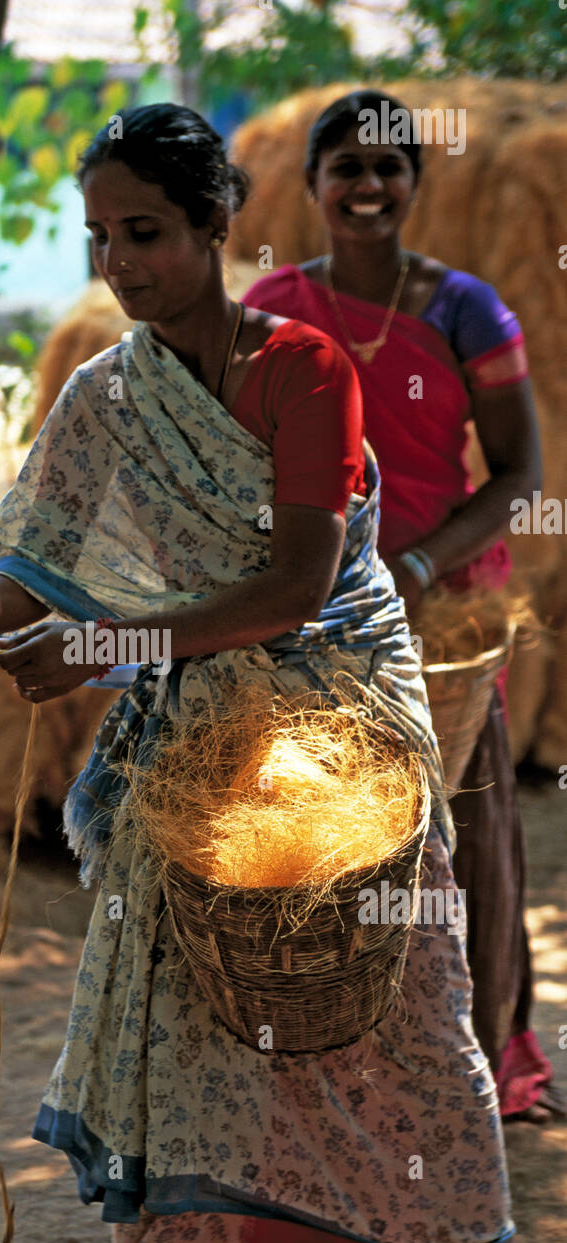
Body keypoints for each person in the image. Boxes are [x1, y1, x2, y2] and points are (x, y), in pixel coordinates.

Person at [0, 104, 519, 1243]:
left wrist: (103, 645)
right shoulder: (109, 392)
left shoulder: (302, 368)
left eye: (147, 232)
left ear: (219, 225)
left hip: (348, 730)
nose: (118, 263)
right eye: (100, 238)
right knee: (194, 1017)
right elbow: (36, 561)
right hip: (203, 744)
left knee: (409, 994)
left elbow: (295, 584)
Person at [240, 88, 564, 1125]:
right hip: (321, 614)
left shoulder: (468, 308)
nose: (369, 187)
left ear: (415, 186)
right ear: (313, 187)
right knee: (333, 840)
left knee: (464, 838)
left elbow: (518, 472)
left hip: (450, 615)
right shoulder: (278, 307)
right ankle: (344, 1068)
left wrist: (420, 568)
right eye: (348, 169)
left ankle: (480, 1064)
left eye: (390, 170)